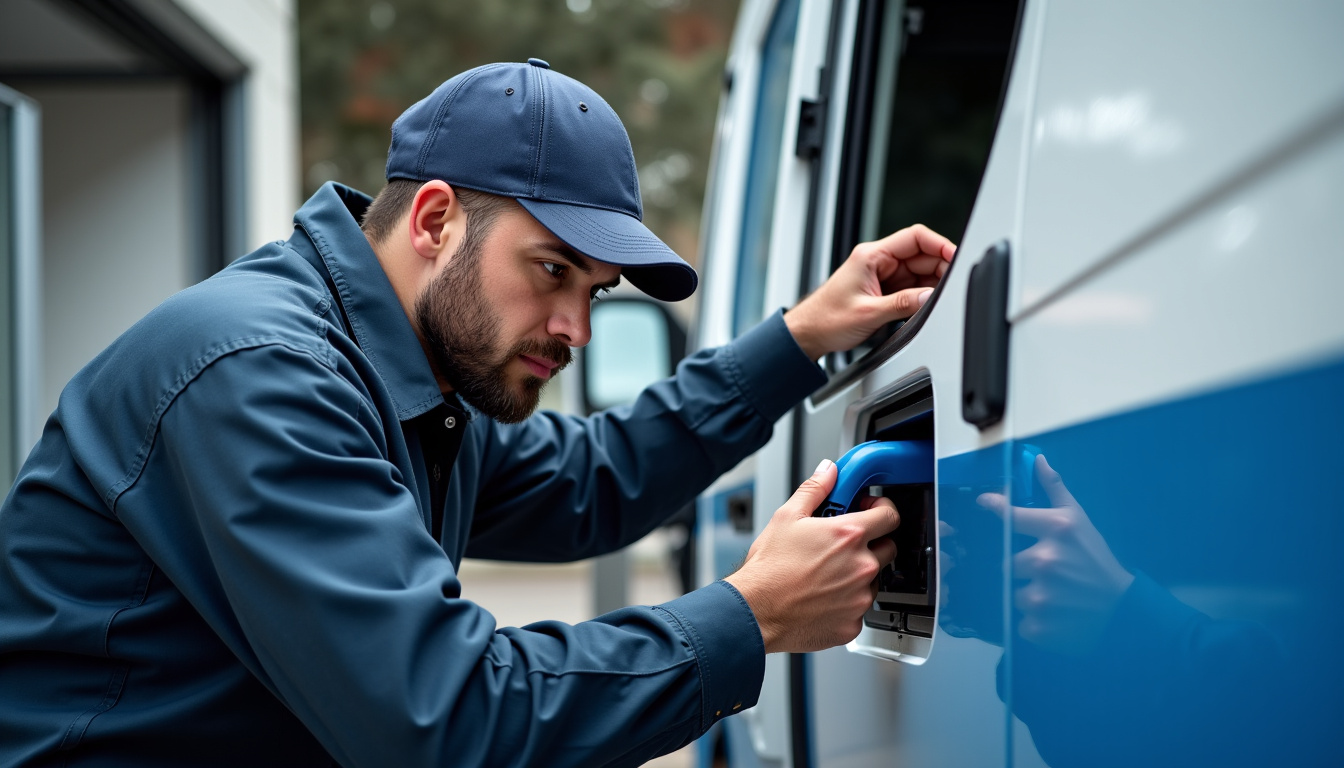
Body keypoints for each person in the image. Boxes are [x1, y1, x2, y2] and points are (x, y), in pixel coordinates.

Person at [0, 59, 954, 767]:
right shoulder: (265, 376)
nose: (576, 326)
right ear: (434, 222)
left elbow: (594, 483)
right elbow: (445, 724)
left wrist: (796, 340)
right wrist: (750, 616)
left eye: (598, 291)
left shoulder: (416, 380)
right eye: (552, 272)